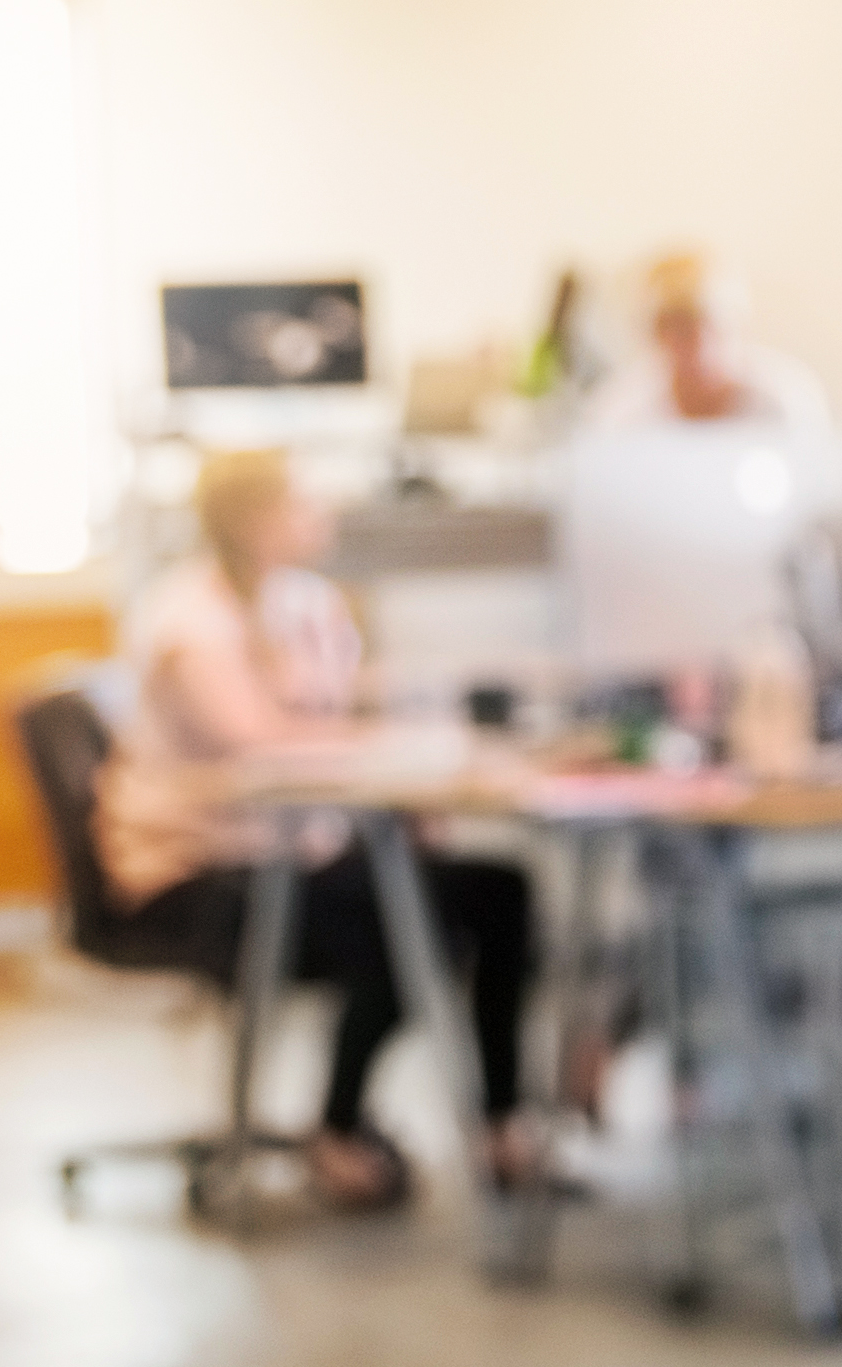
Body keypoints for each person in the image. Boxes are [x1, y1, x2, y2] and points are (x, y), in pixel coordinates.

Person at [95, 449, 546, 1212]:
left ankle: (502, 1126)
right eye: (305, 501)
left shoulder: (306, 604)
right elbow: (257, 742)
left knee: (498, 893)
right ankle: (338, 1129)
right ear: (252, 519)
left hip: (298, 851)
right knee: (405, 926)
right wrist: (393, 755)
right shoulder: (187, 618)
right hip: (202, 870)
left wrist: (418, 754)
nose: (324, 513)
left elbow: (347, 708)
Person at [585, 250, 837, 454]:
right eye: (679, 328)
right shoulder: (620, 412)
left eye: (711, 326)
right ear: (654, 336)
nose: (700, 345)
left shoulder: (786, 398)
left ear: (738, 325)